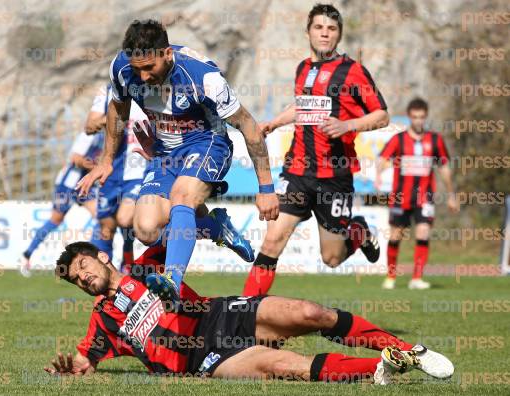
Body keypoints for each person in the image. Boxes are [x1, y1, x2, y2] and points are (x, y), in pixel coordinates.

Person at [44, 241, 454, 385]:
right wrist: (73, 368)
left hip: (219, 314)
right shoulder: (103, 318)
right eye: (75, 280)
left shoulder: (147, 264)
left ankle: (406, 349)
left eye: (83, 267)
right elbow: (86, 360)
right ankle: (381, 367)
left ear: (101, 257)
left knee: (310, 312)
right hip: (204, 360)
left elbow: (187, 220)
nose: (82, 278)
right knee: (284, 365)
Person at [76, 19, 279, 302]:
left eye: (150, 68)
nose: (144, 76)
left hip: (208, 143)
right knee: (145, 230)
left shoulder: (203, 78)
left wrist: (266, 189)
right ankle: (215, 227)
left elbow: (248, 126)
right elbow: (118, 109)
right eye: (138, 69)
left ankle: (171, 278)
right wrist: (106, 160)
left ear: (167, 54)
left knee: (182, 196)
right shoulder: (122, 70)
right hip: (165, 153)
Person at [243, 4, 387, 296]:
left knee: (331, 258)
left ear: (339, 35)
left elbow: (382, 115)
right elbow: (302, 105)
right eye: (319, 27)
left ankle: (359, 232)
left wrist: (349, 126)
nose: (325, 33)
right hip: (297, 171)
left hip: (335, 176)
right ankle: (245, 314)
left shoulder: (353, 71)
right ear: (308, 31)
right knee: (272, 241)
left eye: (331, 29)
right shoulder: (303, 68)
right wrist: (276, 122)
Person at [376, 98, 459, 290]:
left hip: (425, 197)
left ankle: (417, 278)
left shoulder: (435, 140)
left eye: (422, 117)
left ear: (426, 116)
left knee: (423, 232)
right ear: (409, 117)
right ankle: (390, 277)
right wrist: (379, 175)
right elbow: (382, 158)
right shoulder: (399, 139)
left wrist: (451, 194)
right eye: (415, 117)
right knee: (396, 236)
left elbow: (444, 167)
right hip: (400, 196)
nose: (418, 121)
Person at [17, 131, 102, 277]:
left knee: (101, 217)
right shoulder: (90, 134)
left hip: (84, 183)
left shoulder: (108, 136)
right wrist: (97, 168)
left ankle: (98, 262)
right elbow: (75, 158)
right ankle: (26, 256)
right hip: (68, 184)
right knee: (55, 220)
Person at [85, 84, 148, 271]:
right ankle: (109, 277)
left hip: (139, 171)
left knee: (125, 218)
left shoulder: (154, 91)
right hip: (111, 171)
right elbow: (89, 126)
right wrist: (115, 118)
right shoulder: (107, 91)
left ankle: (128, 260)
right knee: (106, 228)